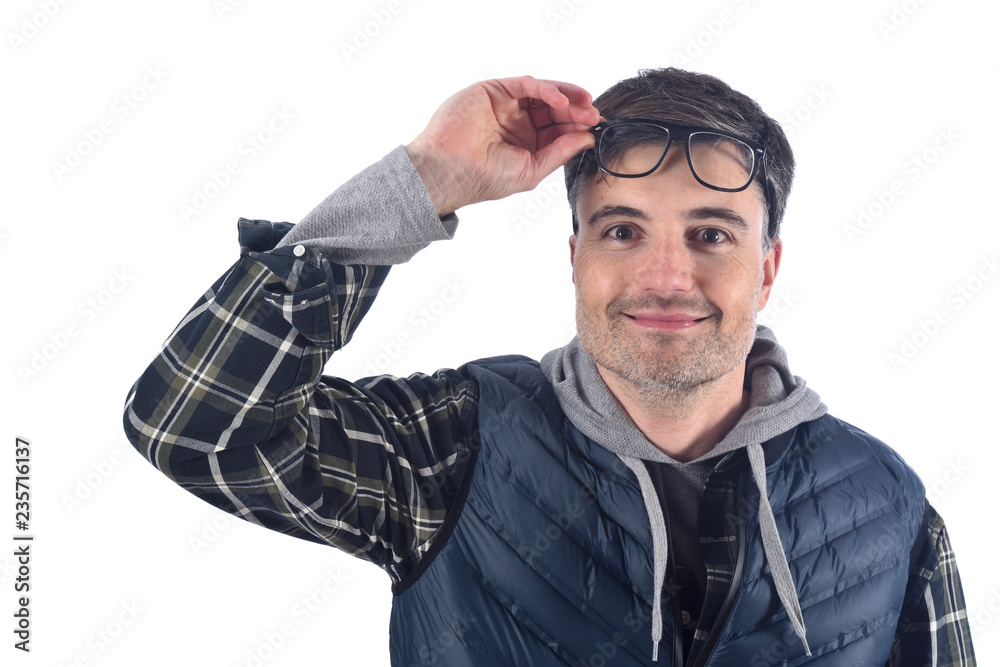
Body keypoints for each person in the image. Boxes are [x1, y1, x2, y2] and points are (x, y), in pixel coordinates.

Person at [123, 69, 976, 665]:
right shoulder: (453, 446)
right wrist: (425, 180)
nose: (666, 276)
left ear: (768, 267)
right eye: (622, 230)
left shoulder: (887, 503)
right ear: (576, 256)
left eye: (711, 234)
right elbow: (192, 426)